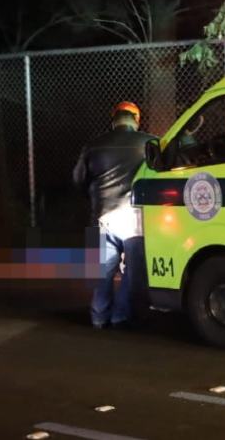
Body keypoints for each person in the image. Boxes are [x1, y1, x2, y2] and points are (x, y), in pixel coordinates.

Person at [73, 101, 155, 329]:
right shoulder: (150, 143)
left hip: (102, 214)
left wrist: (92, 196)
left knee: (101, 272)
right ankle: (121, 315)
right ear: (136, 120)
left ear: (114, 120)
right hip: (137, 219)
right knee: (134, 272)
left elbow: (78, 180)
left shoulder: (93, 146)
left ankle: (98, 317)